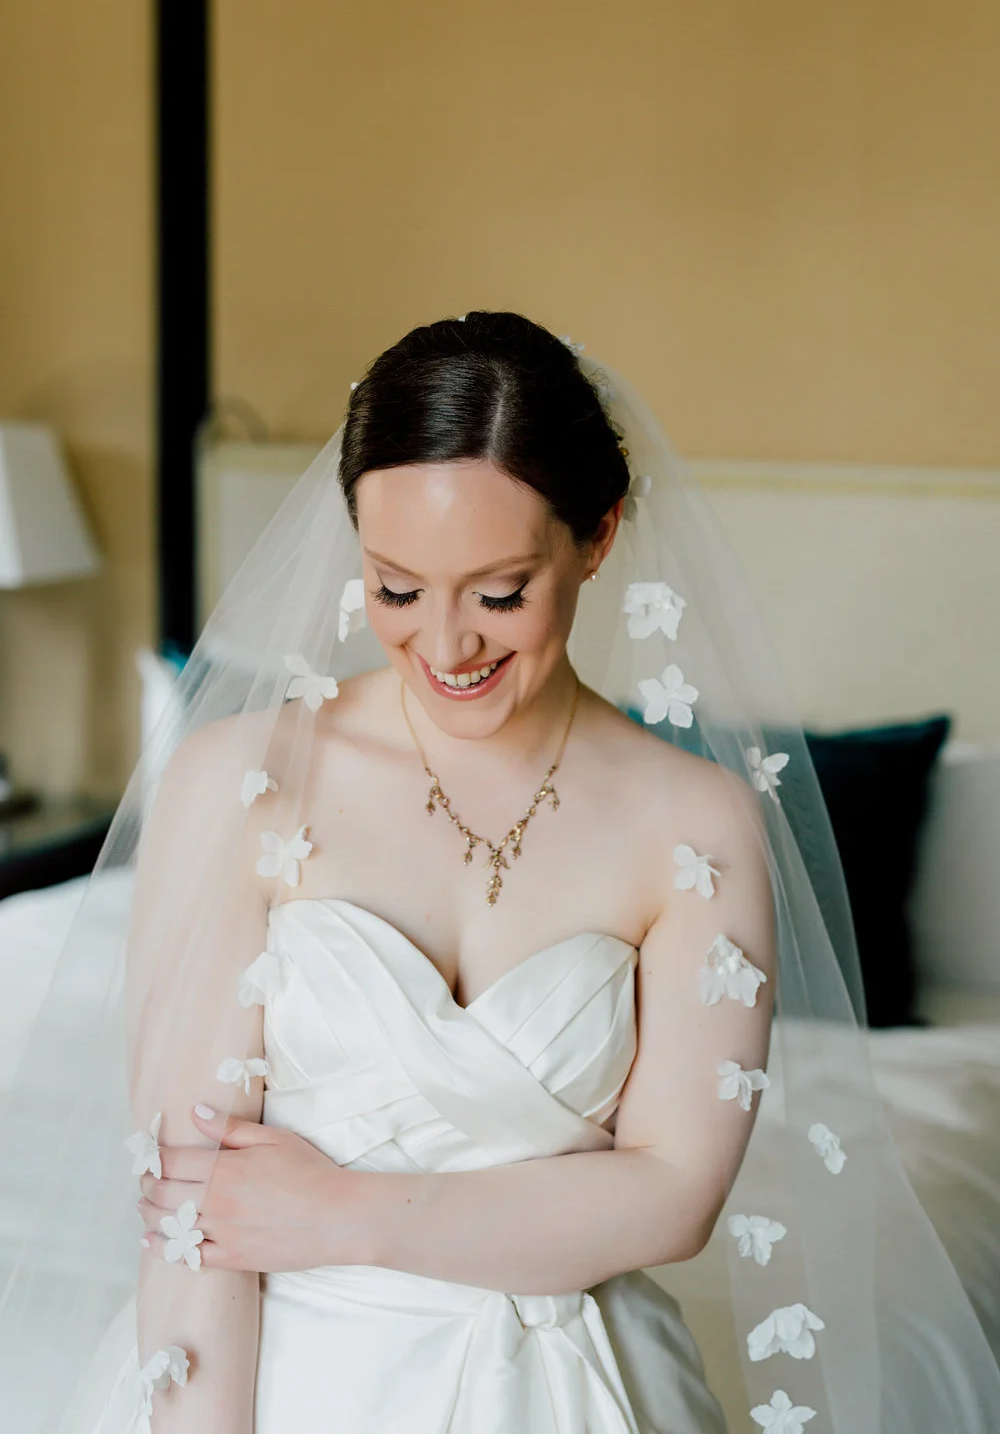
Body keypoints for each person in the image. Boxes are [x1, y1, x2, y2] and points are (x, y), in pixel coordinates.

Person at [2, 311, 998, 1434]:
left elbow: (674, 1197)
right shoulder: (239, 778)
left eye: (499, 593)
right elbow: (195, 1213)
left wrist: (347, 1214)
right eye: (395, 589)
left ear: (598, 537)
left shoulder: (697, 825)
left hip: (575, 1386)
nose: (445, 646)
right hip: (277, 1384)